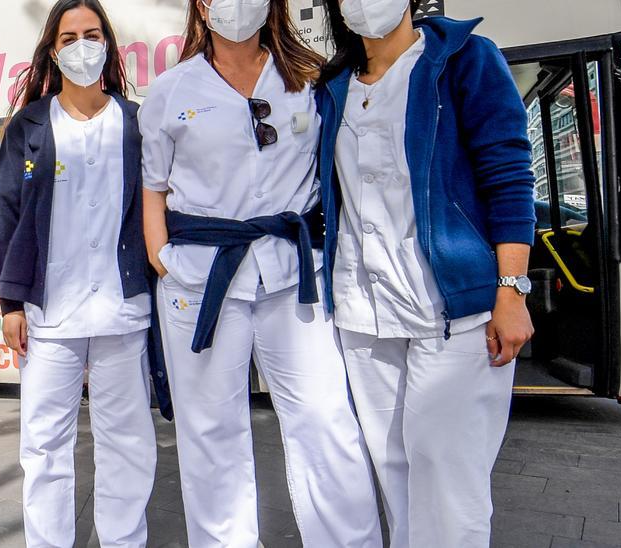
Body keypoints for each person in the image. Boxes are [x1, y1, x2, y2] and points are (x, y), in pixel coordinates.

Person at [140, 1, 381, 546]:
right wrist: (162, 258)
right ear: (202, 5)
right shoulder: (171, 90)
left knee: (325, 421)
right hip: (201, 283)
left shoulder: (308, 78)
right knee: (210, 436)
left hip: (294, 276)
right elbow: (153, 186)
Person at [316, 1, 536, 546]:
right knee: (394, 470)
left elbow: (509, 177)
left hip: (455, 312)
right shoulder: (335, 84)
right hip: (364, 312)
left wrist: (512, 290)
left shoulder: (464, 59)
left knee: (448, 476)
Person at [0, 1, 156, 546]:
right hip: (48, 314)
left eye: (91, 33)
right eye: (69, 37)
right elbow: (5, 217)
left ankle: (124, 540)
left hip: (121, 309)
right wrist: (10, 302)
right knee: (43, 445)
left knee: (126, 441)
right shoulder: (29, 128)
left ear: (107, 42)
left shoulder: (136, 122)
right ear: (53, 51)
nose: (81, 45)